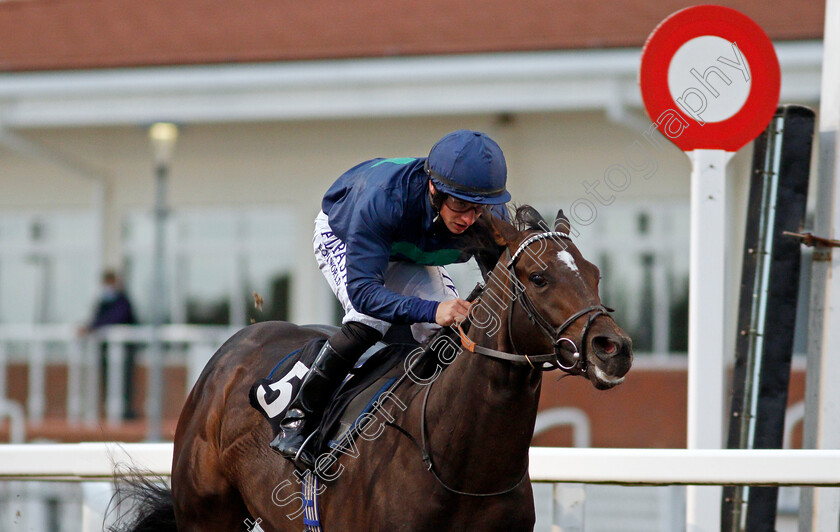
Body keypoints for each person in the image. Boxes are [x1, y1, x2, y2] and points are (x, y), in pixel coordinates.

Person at [270, 129, 511, 467]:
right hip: (346, 233)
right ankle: (297, 421)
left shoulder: (491, 215)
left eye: (479, 209)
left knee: (451, 335)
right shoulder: (382, 200)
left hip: (408, 247)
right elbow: (366, 293)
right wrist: (433, 308)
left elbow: (504, 281)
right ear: (434, 188)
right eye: (460, 205)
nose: (469, 219)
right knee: (369, 322)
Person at [80, 270, 138, 420]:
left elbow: (116, 318)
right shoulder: (102, 302)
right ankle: (109, 410)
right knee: (107, 382)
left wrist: (92, 327)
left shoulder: (122, 301)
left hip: (124, 352)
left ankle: (125, 413)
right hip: (106, 352)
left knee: (124, 384)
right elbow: (98, 319)